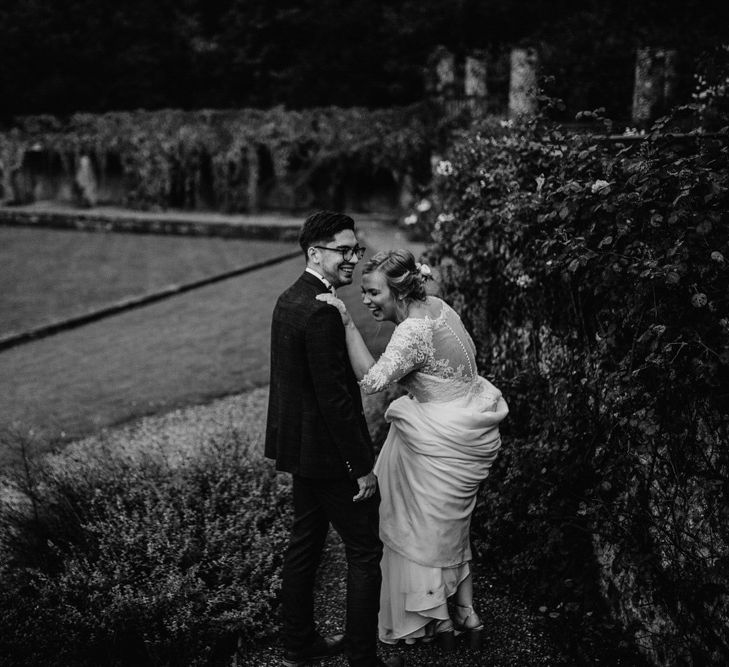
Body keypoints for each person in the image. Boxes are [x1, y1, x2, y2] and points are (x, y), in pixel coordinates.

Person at [316, 249, 508, 650]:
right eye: (363, 294)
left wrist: (348, 324)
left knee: (417, 528)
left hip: (437, 438)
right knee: (448, 528)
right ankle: (466, 614)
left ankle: (431, 620)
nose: (365, 300)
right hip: (468, 428)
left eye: (372, 293)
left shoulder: (412, 331)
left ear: (399, 291)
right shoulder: (438, 307)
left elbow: (372, 381)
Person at [265, 211, 404, 667]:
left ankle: (298, 644)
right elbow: (337, 402)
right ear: (315, 253)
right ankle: (363, 658)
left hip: (301, 451)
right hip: (329, 458)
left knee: (305, 542)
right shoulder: (322, 310)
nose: (352, 259)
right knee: (365, 550)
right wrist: (361, 466)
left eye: (355, 250)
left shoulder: (290, 298)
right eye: (344, 250)